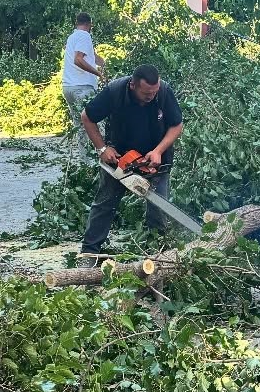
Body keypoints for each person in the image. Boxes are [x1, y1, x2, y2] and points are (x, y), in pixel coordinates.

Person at [77, 64, 183, 257]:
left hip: (155, 161)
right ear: (133, 85)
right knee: (104, 203)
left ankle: (159, 254)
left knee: (158, 209)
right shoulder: (115, 92)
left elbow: (177, 125)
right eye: (146, 93)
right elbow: (87, 117)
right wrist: (102, 148)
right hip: (121, 158)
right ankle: (89, 253)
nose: (151, 96)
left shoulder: (164, 92)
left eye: (154, 92)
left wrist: (158, 151)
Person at [61, 13, 104, 142]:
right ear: (89, 24)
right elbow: (78, 59)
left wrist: (103, 62)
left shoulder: (72, 37)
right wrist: (98, 74)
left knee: (80, 126)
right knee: (93, 125)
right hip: (82, 87)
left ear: (77, 23)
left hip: (68, 87)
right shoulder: (85, 35)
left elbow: (90, 55)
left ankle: (84, 161)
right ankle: (97, 158)